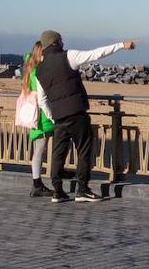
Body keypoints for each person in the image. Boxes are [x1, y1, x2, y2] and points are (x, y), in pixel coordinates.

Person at [35, 30, 137, 203]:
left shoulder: (40, 70)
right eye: (61, 40)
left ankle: (57, 191)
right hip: (76, 113)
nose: (63, 42)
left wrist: (52, 117)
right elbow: (96, 54)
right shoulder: (68, 56)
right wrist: (121, 45)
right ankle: (82, 190)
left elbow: (42, 100)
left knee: (58, 154)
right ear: (55, 42)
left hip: (59, 118)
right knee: (84, 151)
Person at [17, 42, 54, 198]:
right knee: (40, 149)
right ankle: (37, 183)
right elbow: (43, 95)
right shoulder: (38, 71)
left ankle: (38, 182)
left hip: (35, 114)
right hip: (42, 115)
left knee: (38, 148)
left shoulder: (29, 68)